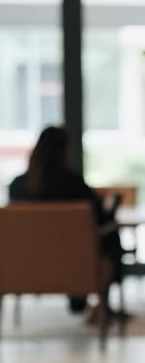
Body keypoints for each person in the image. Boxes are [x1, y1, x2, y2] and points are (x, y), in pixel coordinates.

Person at [8, 126, 123, 312]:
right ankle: (100, 306)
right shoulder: (74, 184)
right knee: (110, 235)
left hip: (28, 265)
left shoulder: (17, 186)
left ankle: (80, 300)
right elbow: (101, 220)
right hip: (76, 265)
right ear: (64, 151)